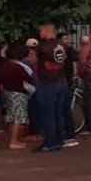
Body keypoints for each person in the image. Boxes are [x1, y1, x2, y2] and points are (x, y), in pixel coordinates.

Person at [33, 24, 68, 152]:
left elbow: (35, 61)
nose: (40, 33)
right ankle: (58, 141)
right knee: (58, 113)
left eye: (41, 31)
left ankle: (49, 142)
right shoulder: (62, 45)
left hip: (47, 83)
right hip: (61, 81)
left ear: (47, 31)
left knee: (47, 114)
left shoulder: (42, 46)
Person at [0, 44, 34, 149]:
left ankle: (13, 139)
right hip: (19, 93)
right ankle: (14, 140)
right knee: (18, 117)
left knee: (11, 116)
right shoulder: (18, 67)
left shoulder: (3, 67)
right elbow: (29, 79)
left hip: (7, 92)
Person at [59, 33, 80, 147]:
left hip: (65, 82)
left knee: (64, 110)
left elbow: (77, 57)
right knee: (65, 110)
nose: (66, 40)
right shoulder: (62, 51)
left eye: (67, 38)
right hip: (64, 82)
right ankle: (68, 135)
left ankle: (66, 135)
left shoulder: (69, 50)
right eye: (64, 38)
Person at [22, 38, 42, 141]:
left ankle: (34, 133)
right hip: (39, 87)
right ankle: (37, 132)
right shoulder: (41, 60)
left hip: (32, 88)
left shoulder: (25, 61)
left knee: (32, 112)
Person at [77, 35, 91, 135]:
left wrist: (80, 74)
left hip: (88, 79)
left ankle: (90, 126)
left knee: (87, 103)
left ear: (81, 42)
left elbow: (83, 64)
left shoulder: (83, 50)